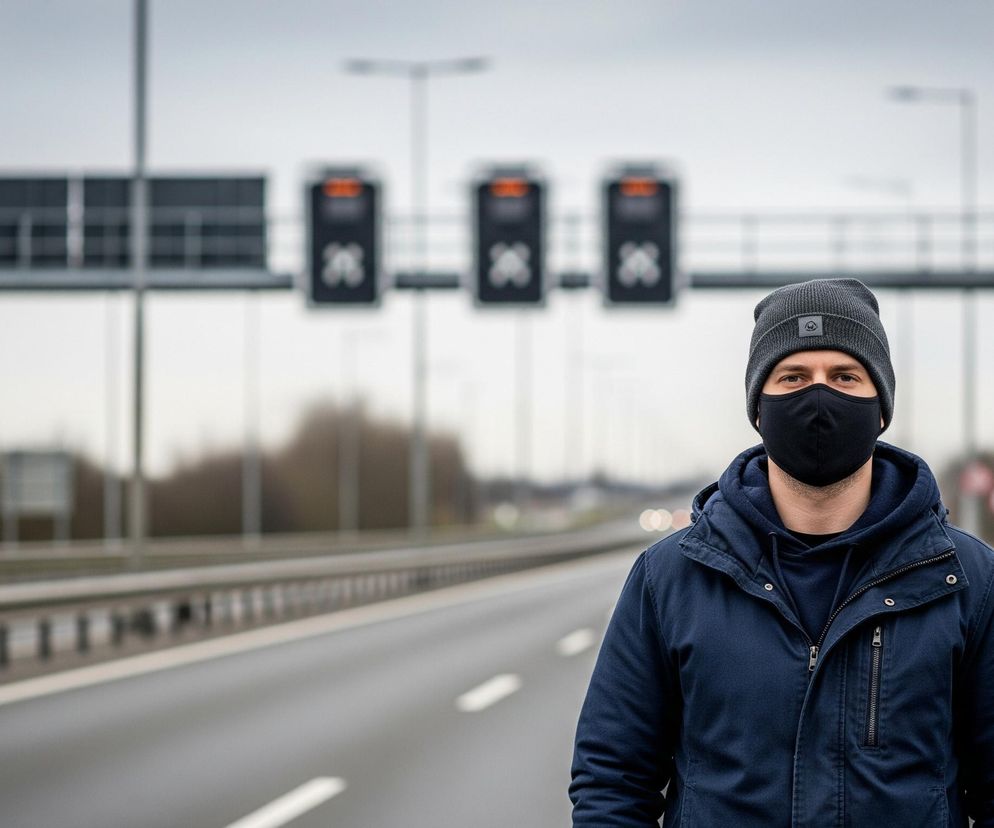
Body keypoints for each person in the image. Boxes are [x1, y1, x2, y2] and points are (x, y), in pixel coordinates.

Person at [569, 278, 994, 827]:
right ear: (759, 409)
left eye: (845, 376)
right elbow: (612, 780)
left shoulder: (968, 580)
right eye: (792, 377)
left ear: (881, 407)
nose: (818, 398)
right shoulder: (670, 577)